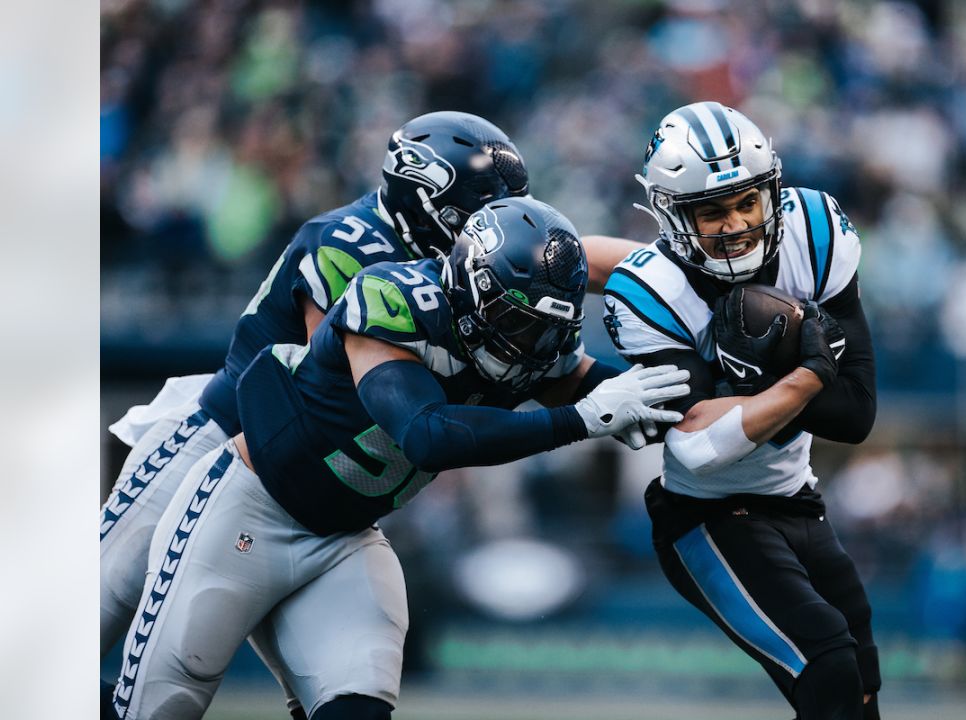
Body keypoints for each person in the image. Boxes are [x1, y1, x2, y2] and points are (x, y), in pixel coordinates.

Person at [99, 111, 637, 715]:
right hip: (226, 440)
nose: (490, 226)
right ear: (424, 201)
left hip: (336, 500)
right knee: (99, 613)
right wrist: (539, 402)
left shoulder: (467, 273)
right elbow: (364, 408)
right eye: (476, 215)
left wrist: (679, 277)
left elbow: (567, 256)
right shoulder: (356, 254)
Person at [602, 101, 881, 719]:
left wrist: (755, 397)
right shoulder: (651, 291)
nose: (735, 224)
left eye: (746, 203)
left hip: (798, 496)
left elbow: (857, 414)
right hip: (707, 516)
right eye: (712, 210)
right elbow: (698, 448)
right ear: (673, 216)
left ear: (771, 193)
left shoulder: (814, 229)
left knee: (860, 683)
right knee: (827, 662)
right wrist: (806, 375)